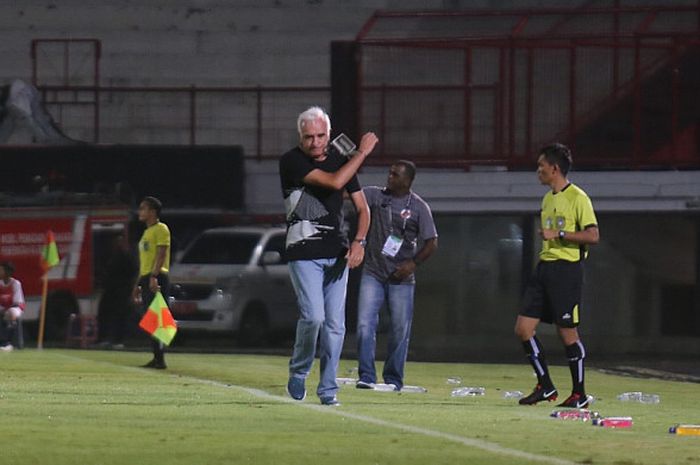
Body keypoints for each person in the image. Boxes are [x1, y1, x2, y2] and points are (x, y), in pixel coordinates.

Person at [279, 106, 377, 406]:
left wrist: (359, 241)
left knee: (336, 324)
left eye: (321, 135)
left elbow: (363, 208)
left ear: (329, 134)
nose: (316, 142)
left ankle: (328, 390)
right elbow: (334, 182)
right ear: (300, 136)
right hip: (303, 251)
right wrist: (362, 153)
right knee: (314, 317)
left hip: (337, 253)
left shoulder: (342, 160)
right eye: (309, 137)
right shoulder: (291, 161)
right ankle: (299, 370)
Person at [514, 143, 599, 408]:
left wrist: (560, 235)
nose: (538, 170)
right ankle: (545, 386)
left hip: (566, 271)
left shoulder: (578, 197)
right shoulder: (548, 198)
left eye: (541, 166)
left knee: (567, 334)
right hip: (545, 269)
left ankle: (579, 394)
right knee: (523, 329)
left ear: (555, 168)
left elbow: (593, 235)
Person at [355, 161, 438, 391]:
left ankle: (393, 379)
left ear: (408, 180)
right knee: (364, 324)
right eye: (389, 172)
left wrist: (413, 264)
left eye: (395, 175)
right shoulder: (375, 195)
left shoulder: (419, 207)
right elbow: (349, 193)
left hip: (401, 277)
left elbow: (432, 242)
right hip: (373, 270)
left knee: (400, 328)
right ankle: (366, 376)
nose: (389, 177)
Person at [134, 196, 172, 369]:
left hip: (156, 276)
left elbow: (161, 254)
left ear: (153, 211)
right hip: (146, 276)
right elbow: (145, 261)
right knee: (150, 319)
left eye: (143, 208)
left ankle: (160, 358)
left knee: (158, 319)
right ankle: (157, 356)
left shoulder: (161, 229)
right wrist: (137, 284)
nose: (140, 212)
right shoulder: (146, 232)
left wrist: (154, 276)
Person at [0, 79, 81, 144]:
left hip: (19, 94)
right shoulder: (12, 104)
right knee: (35, 119)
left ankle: (47, 140)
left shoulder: (15, 100)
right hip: (22, 93)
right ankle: (49, 139)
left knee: (29, 118)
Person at [96, 234, 138, 349]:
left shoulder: (125, 256)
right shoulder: (111, 255)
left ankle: (117, 340)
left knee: (120, 315)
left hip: (121, 290)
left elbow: (133, 272)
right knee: (105, 314)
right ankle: (105, 338)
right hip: (111, 290)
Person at [0, 261, 25, 351]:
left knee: (10, 313)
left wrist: (6, 310)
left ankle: (8, 342)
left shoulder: (16, 284)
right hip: (3, 308)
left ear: (8, 272)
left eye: (1, 270)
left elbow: (17, 302)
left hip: (16, 308)